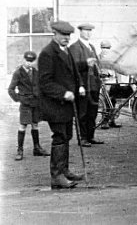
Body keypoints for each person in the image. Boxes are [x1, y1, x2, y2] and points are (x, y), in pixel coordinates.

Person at [38, 20, 85, 189]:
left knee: (66, 137)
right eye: (63, 35)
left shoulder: (66, 51)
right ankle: (56, 176)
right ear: (54, 34)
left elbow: (73, 72)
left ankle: (64, 170)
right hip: (55, 106)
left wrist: (79, 85)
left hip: (67, 106)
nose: (66, 38)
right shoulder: (48, 53)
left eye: (68, 35)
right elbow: (44, 83)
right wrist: (63, 93)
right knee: (59, 137)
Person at [8, 51, 50, 161]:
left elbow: (39, 86)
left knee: (35, 124)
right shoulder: (18, 72)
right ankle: (20, 150)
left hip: (35, 102)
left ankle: (37, 148)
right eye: (27, 61)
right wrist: (18, 98)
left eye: (31, 61)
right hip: (25, 103)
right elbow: (11, 89)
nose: (29, 63)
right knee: (23, 126)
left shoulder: (36, 72)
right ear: (23, 59)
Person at [69, 23, 104, 147]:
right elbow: (73, 68)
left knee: (92, 112)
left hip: (94, 85)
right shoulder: (74, 47)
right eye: (85, 31)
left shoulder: (92, 47)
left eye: (90, 31)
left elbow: (96, 65)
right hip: (83, 86)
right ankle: (82, 138)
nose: (88, 33)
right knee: (82, 113)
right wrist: (80, 85)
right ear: (80, 32)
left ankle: (90, 136)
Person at [98, 40, 123, 129]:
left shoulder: (106, 55)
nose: (106, 50)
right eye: (105, 48)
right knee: (107, 102)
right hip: (107, 81)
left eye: (107, 48)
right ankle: (105, 122)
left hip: (112, 81)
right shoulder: (102, 55)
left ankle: (111, 120)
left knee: (112, 101)